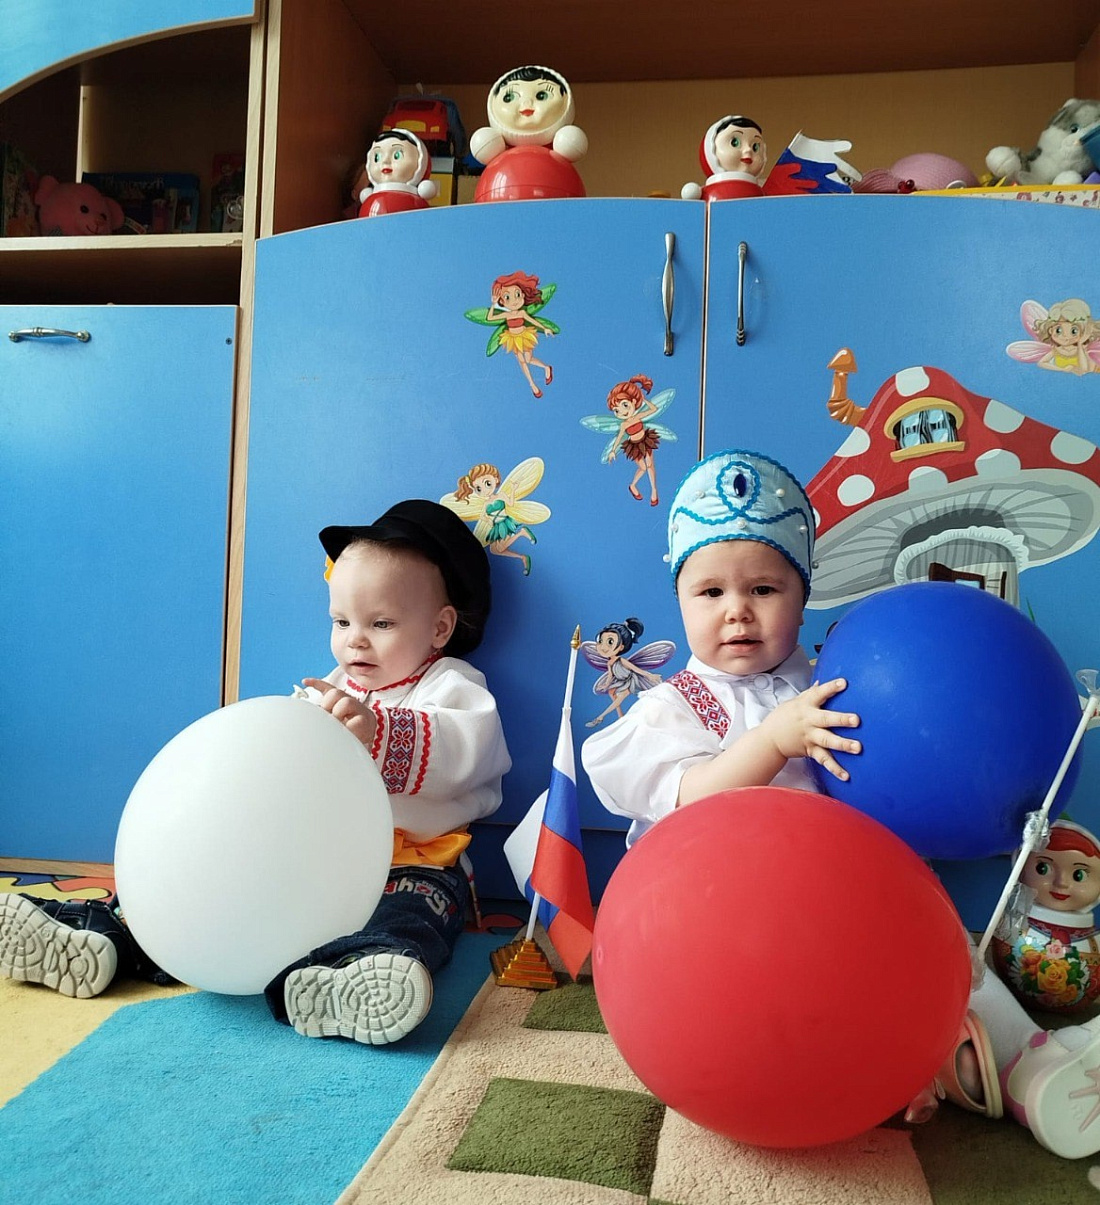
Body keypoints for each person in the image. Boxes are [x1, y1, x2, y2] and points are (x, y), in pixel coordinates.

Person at [581, 448, 1100, 1160]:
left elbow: (916, 758)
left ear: (802, 597)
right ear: (681, 601)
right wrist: (773, 740)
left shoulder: (842, 676)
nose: (737, 611)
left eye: (764, 588)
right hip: (722, 925)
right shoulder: (672, 708)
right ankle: (916, 1066)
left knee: (943, 953)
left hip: (846, 902)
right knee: (806, 1013)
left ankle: (1028, 1065)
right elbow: (689, 802)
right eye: (710, 592)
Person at [0, 499, 511, 1050]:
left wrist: (378, 732)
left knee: (409, 914)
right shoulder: (328, 689)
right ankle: (102, 935)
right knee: (205, 887)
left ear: (440, 627)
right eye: (341, 622)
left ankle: (355, 977)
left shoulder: (452, 686)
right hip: (314, 859)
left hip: (412, 862)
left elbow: (469, 750)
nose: (355, 639)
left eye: (381, 623)